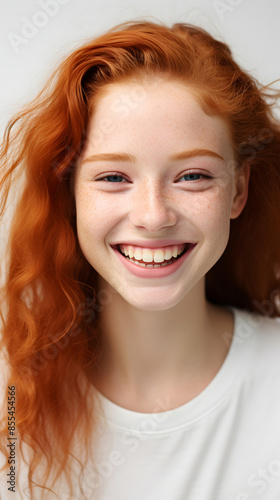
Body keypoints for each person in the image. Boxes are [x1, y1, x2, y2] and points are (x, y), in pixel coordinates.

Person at [0, 17, 280, 500]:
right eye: (113, 177)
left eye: (192, 176)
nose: (153, 217)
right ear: (69, 194)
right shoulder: (10, 401)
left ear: (239, 190)